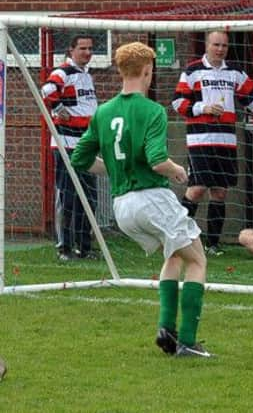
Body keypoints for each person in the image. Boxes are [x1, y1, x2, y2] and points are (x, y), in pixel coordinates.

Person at [70, 42, 213, 358]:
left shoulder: (103, 112)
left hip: (123, 207)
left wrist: (113, 169)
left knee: (174, 256)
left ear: (121, 71)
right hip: (152, 198)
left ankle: (166, 330)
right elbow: (158, 159)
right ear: (147, 71)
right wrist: (178, 171)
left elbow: (80, 159)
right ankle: (187, 341)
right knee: (198, 260)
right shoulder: (153, 110)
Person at [172, 31, 253, 256]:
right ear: (207, 45)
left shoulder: (235, 72)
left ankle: (213, 244)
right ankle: (176, 238)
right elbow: (178, 102)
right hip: (200, 140)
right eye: (216, 45)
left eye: (224, 46)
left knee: (219, 193)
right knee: (197, 189)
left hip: (226, 142)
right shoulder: (192, 71)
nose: (220, 49)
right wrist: (202, 108)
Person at [41, 35, 98, 261]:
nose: (87, 52)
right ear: (71, 50)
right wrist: (58, 108)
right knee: (68, 197)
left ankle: (84, 247)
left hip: (85, 146)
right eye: (82, 48)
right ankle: (64, 248)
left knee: (90, 198)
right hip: (66, 145)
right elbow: (47, 89)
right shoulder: (64, 72)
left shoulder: (86, 75)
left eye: (91, 48)